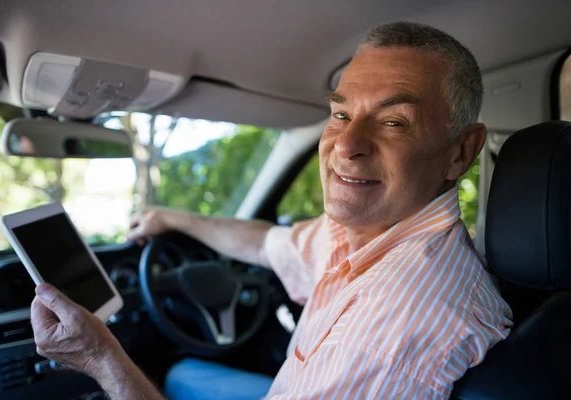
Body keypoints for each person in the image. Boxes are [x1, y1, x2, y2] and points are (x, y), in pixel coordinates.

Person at [30, 21, 513, 399]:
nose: (346, 145)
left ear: (460, 151)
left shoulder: (397, 324)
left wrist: (100, 358)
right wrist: (171, 218)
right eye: (341, 114)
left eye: (392, 122)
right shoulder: (372, 233)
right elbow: (265, 243)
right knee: (181, 372)